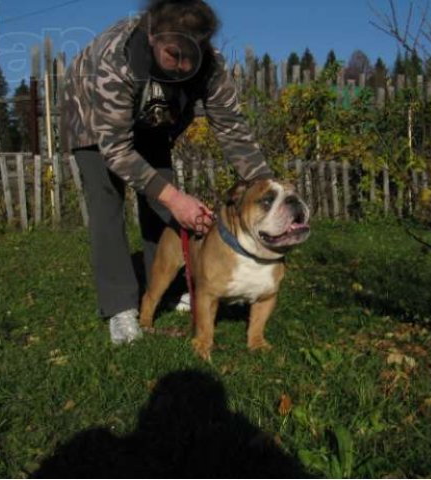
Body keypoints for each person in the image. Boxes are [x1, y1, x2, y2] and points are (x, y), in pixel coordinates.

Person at [62, 0, 273, 344]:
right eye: (174, 54)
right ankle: (120, 307)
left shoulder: (210, 66)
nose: (184, 66)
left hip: (153, 120)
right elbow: (115, 147)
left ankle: (167, 286)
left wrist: (269, 191)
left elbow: (232, 128)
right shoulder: (119, 60)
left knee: (164, 203)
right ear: (151, 36)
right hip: (92, 121)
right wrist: (175, 199)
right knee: (107, 202)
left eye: (193, 54)